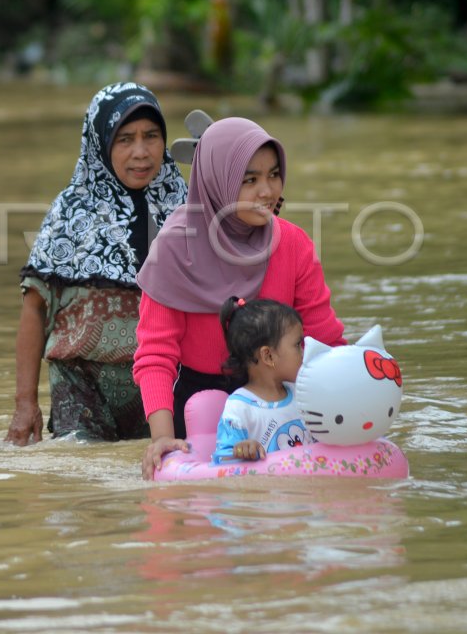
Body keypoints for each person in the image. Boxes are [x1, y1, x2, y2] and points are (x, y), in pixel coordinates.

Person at [133, 117, 346, 479]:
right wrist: (163, 439)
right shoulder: (174, 248)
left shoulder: (293, 244)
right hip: (198, 409)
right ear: (218, 183)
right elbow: (155, 355)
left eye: (274, 174)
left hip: (282, 402)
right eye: (250, 180)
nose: (267, 190)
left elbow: (324, 342)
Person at [5, 83, 187, 444]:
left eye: (151, 136)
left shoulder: (185, 207)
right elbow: (34, 309)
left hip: (163, 380)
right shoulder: (70, 212)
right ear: (100, 143)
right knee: (82, 472)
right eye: (125, 139)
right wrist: (25, 404)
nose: (141, 152)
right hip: (81, 382)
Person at [211, 297, 309, 464]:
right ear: (268, 356)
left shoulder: (301, 393)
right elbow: (221, 461)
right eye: (298, 345)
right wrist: (242, 449)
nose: (304, 352)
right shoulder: (240, 408)